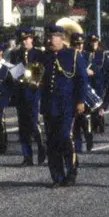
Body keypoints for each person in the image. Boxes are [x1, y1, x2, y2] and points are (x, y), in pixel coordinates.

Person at [30, 23, 89, 187]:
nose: (49, 40)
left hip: (67, 105)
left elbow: (81, 80)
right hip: (49, 105)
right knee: (52, 142)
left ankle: (71, 171)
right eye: (48, 37)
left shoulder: (73, 55)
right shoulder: (42, 56)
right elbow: (35, 79)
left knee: (65, 137)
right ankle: (57, 176)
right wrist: (33, 82)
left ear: (62, 38)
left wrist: (80, 101)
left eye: (53, 37)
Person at [8, 27, 46, 166]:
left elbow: (43, 71)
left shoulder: (38, 53)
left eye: (27, 39)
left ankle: (41, 147)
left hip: (33, 91)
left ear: (31, 39)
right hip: (20, 92)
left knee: (33, 123)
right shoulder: (16, 54)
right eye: (22, 39)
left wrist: (38, 81)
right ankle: (27, 156)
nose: (24, 42)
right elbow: (13, 70)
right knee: (22, 126)